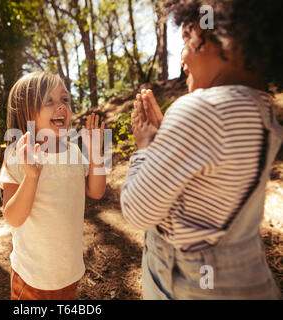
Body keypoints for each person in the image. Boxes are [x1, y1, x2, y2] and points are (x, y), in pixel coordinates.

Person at [121, 0, 283, 299]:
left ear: (220, 35)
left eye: (187, 39)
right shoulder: (263, 112)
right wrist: (166, 145)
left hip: (185, 283)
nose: (182, 58)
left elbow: (137, 212)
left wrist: (145, 148)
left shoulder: (202, 109)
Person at [0, 71, 106, 300]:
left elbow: (96, 192)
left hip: (69, 271)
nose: (61, 107)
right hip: (33, 277)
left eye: (65, 99)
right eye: (49, 101)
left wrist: (96, 154)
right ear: (26, 110)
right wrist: (31, 177)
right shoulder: (18, 155)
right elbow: (13, 218)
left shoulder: (74, 152)